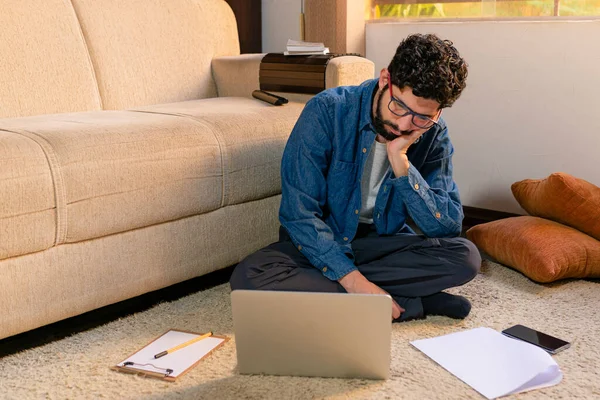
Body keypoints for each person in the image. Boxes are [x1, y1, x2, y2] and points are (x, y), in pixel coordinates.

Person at [230, 33, 481, 321]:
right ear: (385, 79)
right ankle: (412, 302)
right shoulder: (327, 111)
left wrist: (401, 163)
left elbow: (447, 225)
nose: (402, 125)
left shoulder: (434, 133)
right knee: (250, 277)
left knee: (465, 257)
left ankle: (355, 297)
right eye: (399, 106)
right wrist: (354, 282)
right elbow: (298, 215)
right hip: (322, 241)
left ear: (437, 113)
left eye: (421, 118)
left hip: (380, 243)